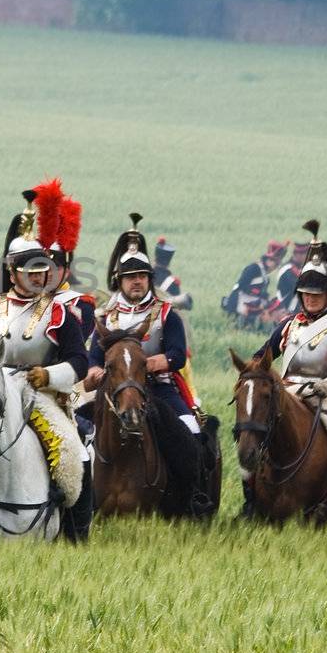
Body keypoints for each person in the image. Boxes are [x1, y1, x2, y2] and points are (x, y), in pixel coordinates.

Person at [0, 187, 91, 539]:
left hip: (40, 396)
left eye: (43, 269)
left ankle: (77, 534)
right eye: (31, 270)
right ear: (13, 271)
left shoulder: (59, 313)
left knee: (75, 453)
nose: (39, 276)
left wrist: (47, 374)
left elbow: (80, 361)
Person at [85, 213, 209, 517]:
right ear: (120, 280)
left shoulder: (167, 313)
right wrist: (92, 371)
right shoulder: (105, 315)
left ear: (149, 279)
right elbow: (93, 357)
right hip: (113, 390)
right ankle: (74, 501)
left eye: (142, 276)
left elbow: (178, 355)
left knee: (190, 430)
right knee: (76, 430)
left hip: (159, 390)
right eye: (130, 277)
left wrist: (154, 363)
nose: (137, 281)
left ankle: (194, 496)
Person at [252, 220, 327, 518]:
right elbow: (264, 356)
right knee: (252, 434)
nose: (310, 299)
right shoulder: (288, 325)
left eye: (316, 294)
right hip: (288, 391)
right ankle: (252, 501)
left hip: (326, 393)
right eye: (306, 294)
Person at [223, 241, 286, 328]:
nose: (275, 267)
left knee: (278, 306)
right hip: (240, 301)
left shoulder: (265, 274)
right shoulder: (254, 268)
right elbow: (240, 287)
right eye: (276, 263)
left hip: (253, 301)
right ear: (269, 260)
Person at [152, 236, 194, 310]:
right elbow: (177, 309)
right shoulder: (173, 283)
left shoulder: (143, 275)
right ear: (169, 262)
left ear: (155, 257)